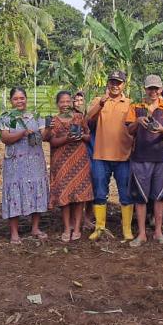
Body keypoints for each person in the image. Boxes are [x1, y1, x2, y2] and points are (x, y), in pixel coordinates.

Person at [125, 75, 163, 246]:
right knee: (140, 197)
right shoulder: (136, 107)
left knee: (159, 196)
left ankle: (158, 232)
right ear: (145, 89)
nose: (153, 91)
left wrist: (161, 129)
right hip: (139, 157)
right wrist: (138, 121)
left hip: (159, 157)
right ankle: (141, 234)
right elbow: (129, 131)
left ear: (161, 89)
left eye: (156, 88)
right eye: (150, 88)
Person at [86, 70, 135, 241]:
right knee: (100, 193)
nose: (115, 85)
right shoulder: (98, 101)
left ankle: (127, 229)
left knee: (126, 194)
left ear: (124, 85)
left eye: (118, 83)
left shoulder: (130, 104)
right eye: (112, 82)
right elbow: (88, 119)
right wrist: (101, 103)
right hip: (101, 155)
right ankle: (99, 228)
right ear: (108, 83)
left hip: (123, 156)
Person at [0, 87, 49, 244]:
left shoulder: (35, 116)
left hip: (35, 160)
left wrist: (49, 127)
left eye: (22, 98)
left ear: (26, 99)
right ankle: (14, 232)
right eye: (16, 98)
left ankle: (35, 228)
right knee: (14, 191)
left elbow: (44, 136)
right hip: (14, 162)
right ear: (11, 101)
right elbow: (5, 138)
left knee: (37, 189)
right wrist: (22, 133)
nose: (19, 101)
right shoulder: (6, 118)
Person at [46, 91, 93, 242]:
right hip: (61, 162)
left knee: (79, 196)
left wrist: (81, 136)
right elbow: (52, 142)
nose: (65, 105)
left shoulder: (79, 117)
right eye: (62, 102)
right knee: (64, 195)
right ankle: (67, 228)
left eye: (68, 101)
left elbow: (88, 136)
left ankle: (77, 228)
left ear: (72, 102)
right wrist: (67, 138)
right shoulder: (53, 121)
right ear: (57, 104)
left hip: (79, 161)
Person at [74, 90, 95, 229]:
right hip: (75, 156)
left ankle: (87, 218)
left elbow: (90, 135)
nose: (79, 103)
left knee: (91, 187)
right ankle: (75, 220)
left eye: (81, 100)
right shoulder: (69, 117)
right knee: (76, 188)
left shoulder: (90, 116)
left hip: (90, 153)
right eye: (76, 100)